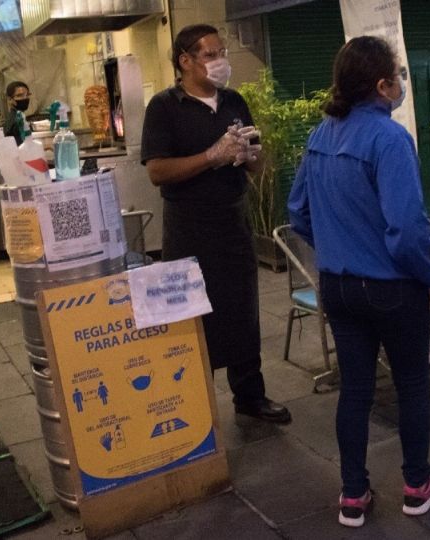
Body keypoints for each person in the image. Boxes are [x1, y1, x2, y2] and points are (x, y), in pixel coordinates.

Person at [288, 36, 430, 527]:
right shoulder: (389, 139)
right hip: (391, 289)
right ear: (382, 84)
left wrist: (339, 246)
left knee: (355, 390)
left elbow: (297, 212)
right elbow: (405, 230)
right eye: (397, 75)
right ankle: (417, 486)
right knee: (412, 385)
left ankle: (353, 495)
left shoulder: (321, 134)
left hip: (336, 287)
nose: (401, 83)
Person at [141, 24, 290, 424]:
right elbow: (156, 171)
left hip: (233, 220)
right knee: (194, 315)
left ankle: (250, 394)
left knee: (242, 307)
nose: (220, 61)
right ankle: (194, 403)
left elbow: (260, 164)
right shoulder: (165, 107)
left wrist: (247, 155)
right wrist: (211, 155)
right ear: (184, 61)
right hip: (189, 226)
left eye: (221, 52)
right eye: (210, 54)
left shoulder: (234, 101)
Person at [3, 81, 31, 145]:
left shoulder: (19, 116)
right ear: (10, 99)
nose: (25, 98)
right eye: (20, 95)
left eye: (27, 95)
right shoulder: (15, 121)